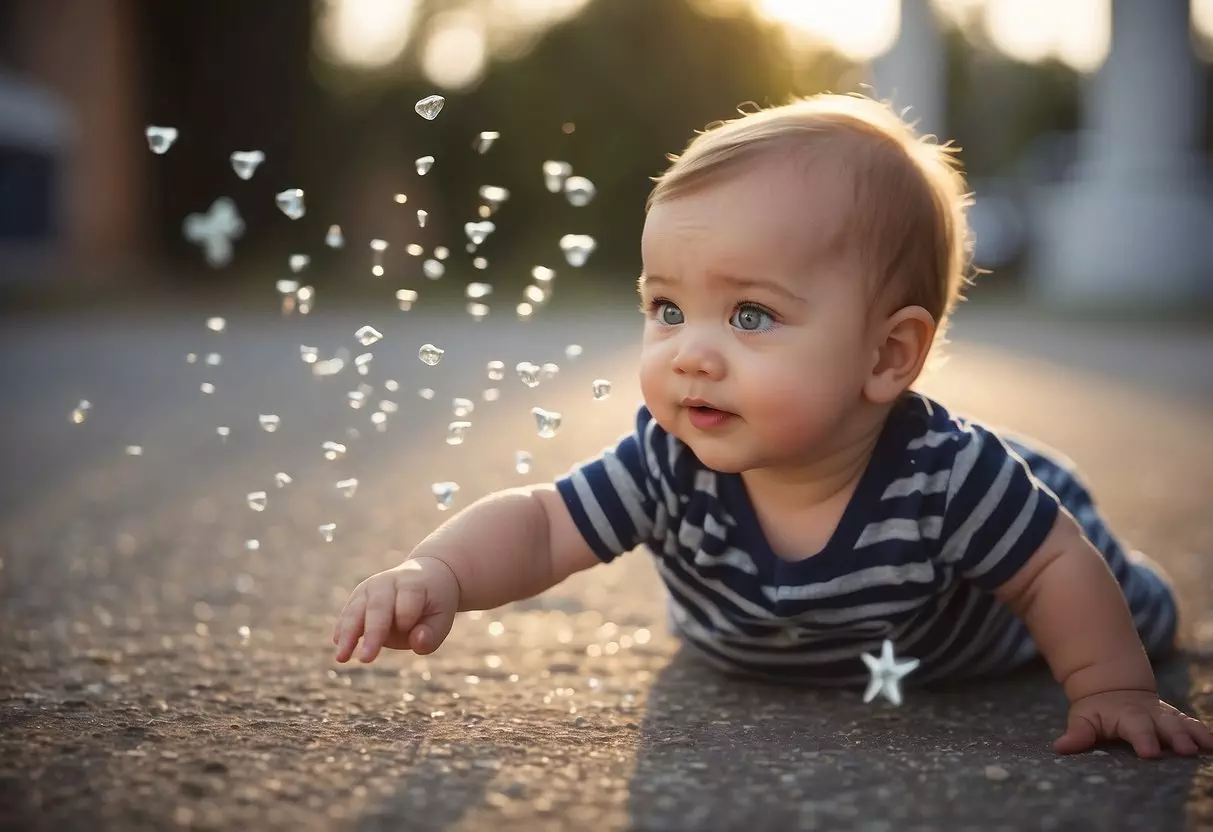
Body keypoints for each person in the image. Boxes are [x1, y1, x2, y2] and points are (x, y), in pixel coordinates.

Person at [332, 93, 1213, 759]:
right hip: (774, 641)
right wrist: (436, 570)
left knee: (1122, 600)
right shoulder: (670, 457)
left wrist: (1112, 685)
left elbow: (1052, 567)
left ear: (885, 356)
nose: (690, 355)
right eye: (666, 308)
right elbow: (542, 522)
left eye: (749, 316)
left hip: (1006, 604)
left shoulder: (948, 478)